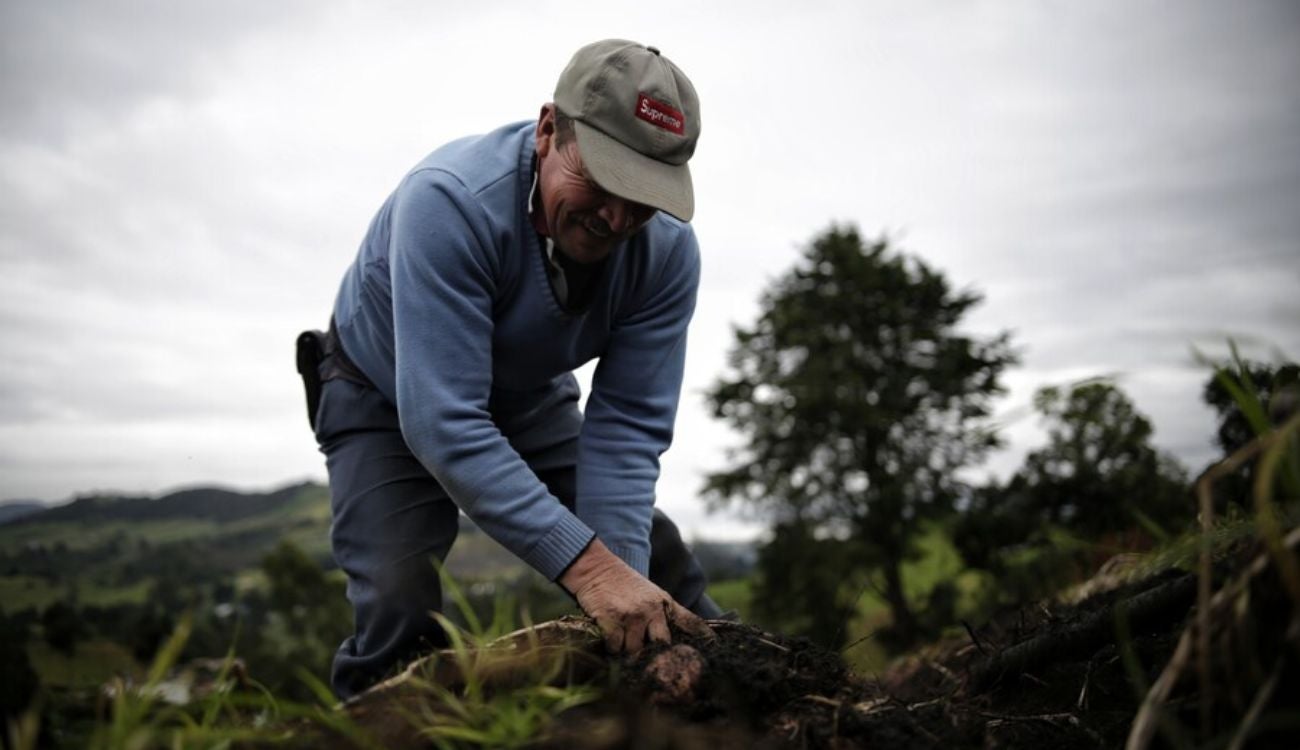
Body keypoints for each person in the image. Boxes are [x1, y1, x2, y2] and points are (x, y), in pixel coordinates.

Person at [296, 39, 723, 700]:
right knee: (397, 593)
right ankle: (384, 719)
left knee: (660, 571)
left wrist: (625, 602)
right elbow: (446, 422)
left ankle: (732, 703)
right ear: (550, 129)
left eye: (643, 198)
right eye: (606, 182)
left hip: (526, 396)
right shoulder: (450, 204)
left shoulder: (665, 256)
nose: (616, 217)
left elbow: (628, 429)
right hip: (380, 392)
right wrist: (591, 573)